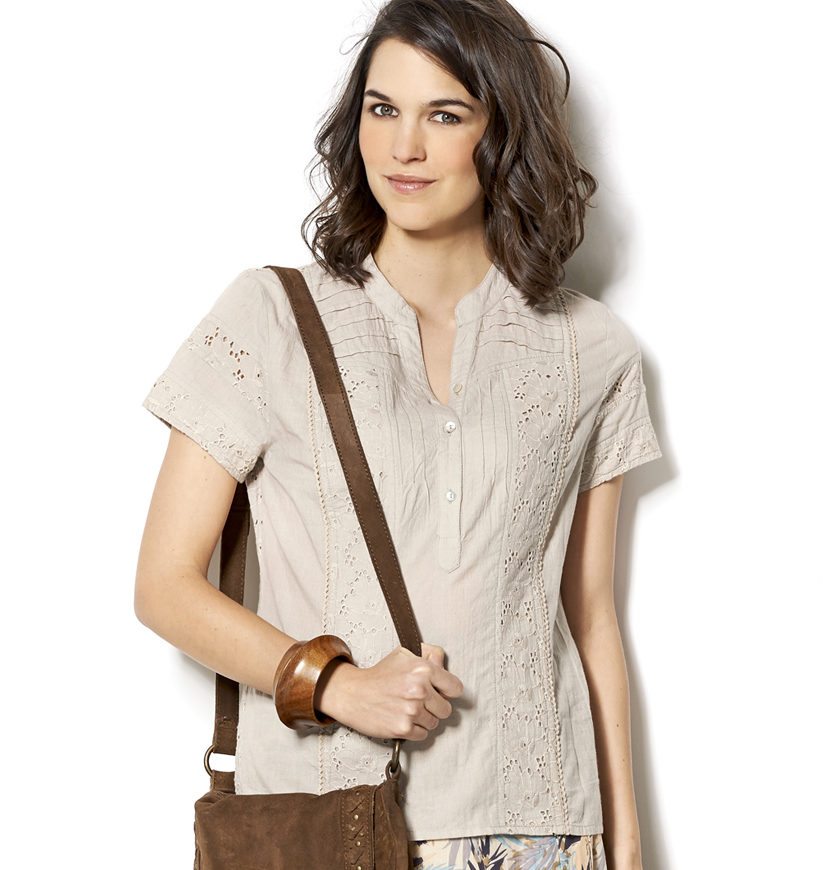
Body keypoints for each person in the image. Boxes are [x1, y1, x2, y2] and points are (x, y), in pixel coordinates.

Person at [135, 1, 661, 868]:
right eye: (383, 109)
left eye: (444, 115)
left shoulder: (588, 348)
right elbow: (164, 585)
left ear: (503, 135)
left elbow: (591, 613)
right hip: (328, 816)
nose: (403, 147)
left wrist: (626, 842)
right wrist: (334, 685)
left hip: (540, 826)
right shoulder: (270, 316)